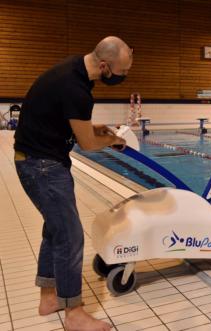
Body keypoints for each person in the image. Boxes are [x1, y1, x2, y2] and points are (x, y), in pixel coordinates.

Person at [14, 36, 133, 331]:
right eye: (121, 73)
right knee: (70, 237)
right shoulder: (76, 88)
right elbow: (88, 144)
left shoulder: (73, 69)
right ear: (104, 66)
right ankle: (74, 313)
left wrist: (96, 128)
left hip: (34, 160)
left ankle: (49, 298)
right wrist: (113, 139)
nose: (123, 78)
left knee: (55, 231)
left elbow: (64, 120)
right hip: (42, 166)